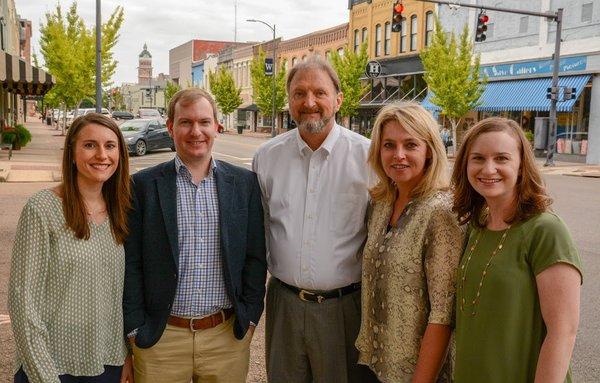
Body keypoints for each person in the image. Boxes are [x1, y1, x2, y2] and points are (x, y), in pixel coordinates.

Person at [123, 88, 267, 383]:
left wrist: (250, 318)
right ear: (170, 127)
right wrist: (136, 330)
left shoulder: (244, 183)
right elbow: (131, 263)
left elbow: (255, 256)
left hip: (225, 337)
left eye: (204, 122)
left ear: (217, 126)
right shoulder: (143, 186)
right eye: (185, 122)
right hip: (161, 339)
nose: (196, 131)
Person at [252, 55, 375, 382]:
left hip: (344, 309)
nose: (309, 102)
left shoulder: (368, 157)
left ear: (338, 100)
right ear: (289, 101)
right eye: (299, 93)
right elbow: (259, 230)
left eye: (319, 93)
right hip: (284, 304)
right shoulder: (266, 158)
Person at [451, 117, 582, 382]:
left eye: (502, 158)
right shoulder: (477, 226)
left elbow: (563, 332)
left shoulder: (545, 230)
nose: (489, 169)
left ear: (521, 166)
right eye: (478, 158)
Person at [8, 113, 133, 383]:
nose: (102, 154)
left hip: (107, 363)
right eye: (89, 145)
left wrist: (125, 355)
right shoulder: (43, 209)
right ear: (72, 153)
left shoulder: (120, 212)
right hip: (53, 364)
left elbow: (117, 296)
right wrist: (43, 373)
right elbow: (23, 300)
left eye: (110, 146)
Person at [355, 102, 463, 382]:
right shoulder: (381, 202)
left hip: (418, 372)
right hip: (378, 365)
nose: (398, 155)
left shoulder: (441, 212)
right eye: (389, 145)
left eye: (411, 145)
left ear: (429, 151)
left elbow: (443, 313)